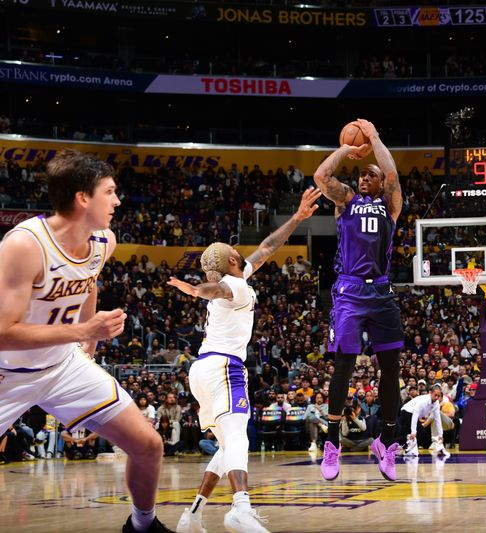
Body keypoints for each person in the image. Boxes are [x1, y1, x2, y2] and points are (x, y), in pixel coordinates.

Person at [0, 150, 174, 533]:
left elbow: (89, 281)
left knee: (148, 445)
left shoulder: (104, 241)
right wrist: (83, 331)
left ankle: (143, 526)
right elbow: (2, 333)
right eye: (109, 192)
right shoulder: (24, 245)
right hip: (6, 373)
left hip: (63, 366)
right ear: (83, 198)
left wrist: (88, 348)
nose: (117, 200)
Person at [168, 187, 321, 533]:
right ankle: (240, 508)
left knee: (228, 446)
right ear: (232, 261)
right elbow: (216, 290)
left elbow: (267, 248)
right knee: (240, 438)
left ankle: (191, 515)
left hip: (203, 369)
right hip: (224, 366)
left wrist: (297, 217)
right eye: (237, 252)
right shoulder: (232, 286)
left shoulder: (236, 277)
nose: (242, 252)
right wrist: (194, 290)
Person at [313, 119, 404, 482]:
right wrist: (346, 150)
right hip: (350, 292)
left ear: (380, 182)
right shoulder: (346, 201)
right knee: (344, 367)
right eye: (361, 175)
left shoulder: (389, 205)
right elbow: (322, 177)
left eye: (371, 175)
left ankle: (387, 441)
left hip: (381, 291)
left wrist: (376, 138)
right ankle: (332, 443)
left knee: (392, 371)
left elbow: (393, 173)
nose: (364, 178)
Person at [398, 386, 444, 456]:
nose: (437, 397)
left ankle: (406, 446)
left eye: (438, 396)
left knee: (422, 438)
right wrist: (414, 431)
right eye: (435, 395)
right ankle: (387, 443)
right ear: (430, 393)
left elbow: (438, 419)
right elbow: (415, 415)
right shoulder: (423, 401)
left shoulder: (436, 403)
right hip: (406, 412)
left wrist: (440, 435)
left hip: (412, 415)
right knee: (415, 434)